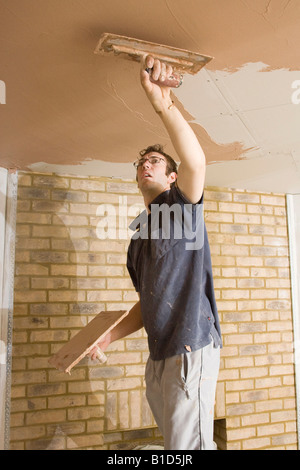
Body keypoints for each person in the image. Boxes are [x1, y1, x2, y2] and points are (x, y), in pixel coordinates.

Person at [91, 55, 222, 450]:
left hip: (190, 345)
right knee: (174, 446)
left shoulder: (181, 210)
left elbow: (197, 161)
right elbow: (144, 304)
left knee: (188, 450)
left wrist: (162, 103)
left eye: (155, 161)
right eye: (141, 164)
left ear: (171, 177)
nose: (145, 166)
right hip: (160, 353)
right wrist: (107, 338)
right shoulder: (138, 239)